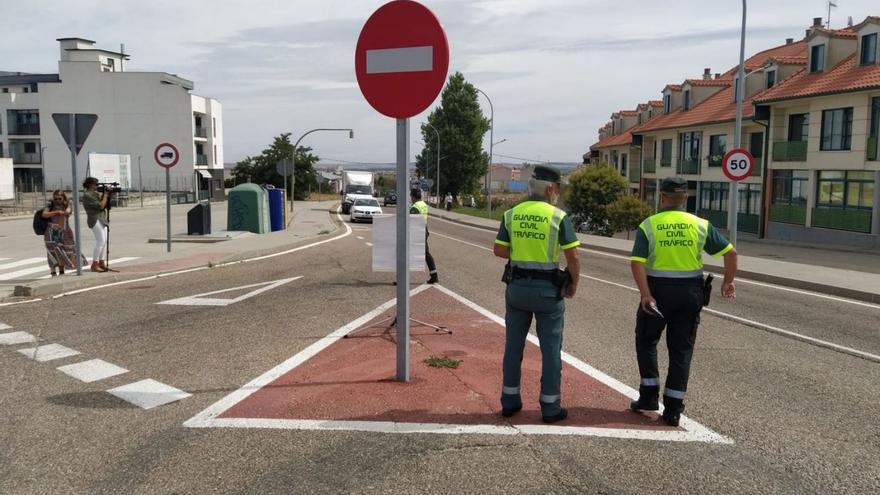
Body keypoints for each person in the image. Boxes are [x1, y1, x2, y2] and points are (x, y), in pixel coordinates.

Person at [629, 177, 738, 426]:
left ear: (662, 197)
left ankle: (648, 396)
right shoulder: (700, 224)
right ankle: (673, 410)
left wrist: (646, 294)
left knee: (646, 340)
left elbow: (637, 262)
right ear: (685, 199)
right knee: (681, 350)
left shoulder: (650, 225)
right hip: (690, 293)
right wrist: (728, 281)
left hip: (658, 290)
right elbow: (730, 253)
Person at [493, 165, 581, 424]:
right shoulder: (558, 216)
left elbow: (499, 250)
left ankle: (510, 401)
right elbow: (573, 256)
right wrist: (573, 284)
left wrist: (521, 251)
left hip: (517, 289)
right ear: (551, 189)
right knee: (551, 350)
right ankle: (550, 407)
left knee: (513, 347)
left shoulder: (511, 214)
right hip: (548, 293)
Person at [82, 177, 113, 273]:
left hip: (101, 218)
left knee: (104, 241)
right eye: (95, 184)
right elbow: (101, 205)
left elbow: (105, 204)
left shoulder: (95, 194)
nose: (97, 186)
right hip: (95, 219)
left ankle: (101, 262)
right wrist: (106, 194)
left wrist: (108, 195)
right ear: (90, 185)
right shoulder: (87, 195)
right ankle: (94, 264)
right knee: (101, 241)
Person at [42, 190, 76, 276]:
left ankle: (62, 272)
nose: (57, 200)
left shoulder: (67, 204)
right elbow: (44, 214)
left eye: (59, 198)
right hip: (51, 231)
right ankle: (53, 272)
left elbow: (68, 211)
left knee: (63, 250)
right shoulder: (50, 204)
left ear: (63, 198)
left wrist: (67, 205)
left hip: (64, 230)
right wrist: (56, 212)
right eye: (55, 199)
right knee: (52, 251)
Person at [410, 188, 439, 284]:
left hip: (416, 231)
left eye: (411, 196)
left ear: (413, 196)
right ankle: (434, 275)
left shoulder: (415, 207)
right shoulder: (423, 204)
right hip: (424, 229)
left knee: (405, 253)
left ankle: (402, 278)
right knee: (426, 254)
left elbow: (411, 221)